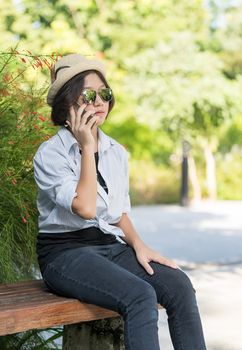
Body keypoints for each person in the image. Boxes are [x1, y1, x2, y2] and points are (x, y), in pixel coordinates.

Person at [33, 53, 207, 350]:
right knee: (140, 295)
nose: (99, 102)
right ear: (67, 106)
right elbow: (85, 208)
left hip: (109, 246)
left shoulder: (116, 151)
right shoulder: (50, 154)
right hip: (65, 254)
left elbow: (117, 211)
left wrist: (140, 245)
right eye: (88, 95)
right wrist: (87, 148)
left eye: (105, 94)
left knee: (179, 286)